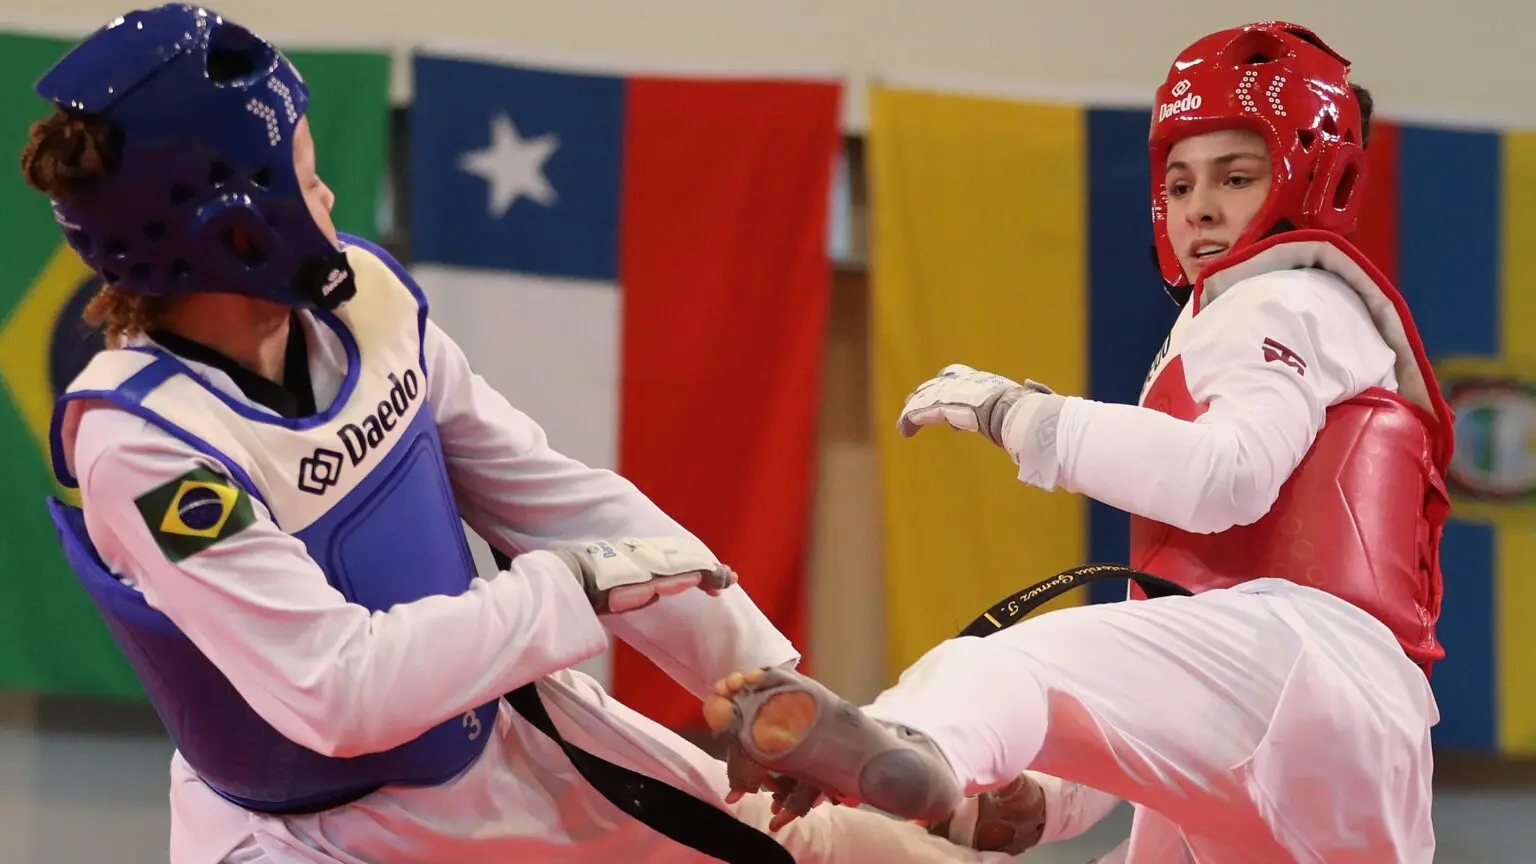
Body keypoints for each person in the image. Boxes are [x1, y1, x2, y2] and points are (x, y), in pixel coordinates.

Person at [27, 6, 1014, 863]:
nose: (326, 197)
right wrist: (571, 588)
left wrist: (759, 682)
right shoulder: (145, 445)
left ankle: (959, 804)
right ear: (238, 228)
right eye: (308, 175)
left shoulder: (365, 301)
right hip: (314, 835)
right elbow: (335, 689)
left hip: (507, 744)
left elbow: (554, 498)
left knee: (811, 847)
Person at [701, 20, 1451, 863]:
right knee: (1048, 704)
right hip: (1337, 735)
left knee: (1003, 666)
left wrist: (1019, 415)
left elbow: (1227, 478)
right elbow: (1168, 681)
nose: (1199, 206)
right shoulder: (1280, 321)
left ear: (1316, 183)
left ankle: (916, 739)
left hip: (1304, 666)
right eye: (1178, 184)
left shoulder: (1282, 295)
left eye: (1237, 177)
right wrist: (1039, 802)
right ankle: (928, 757)